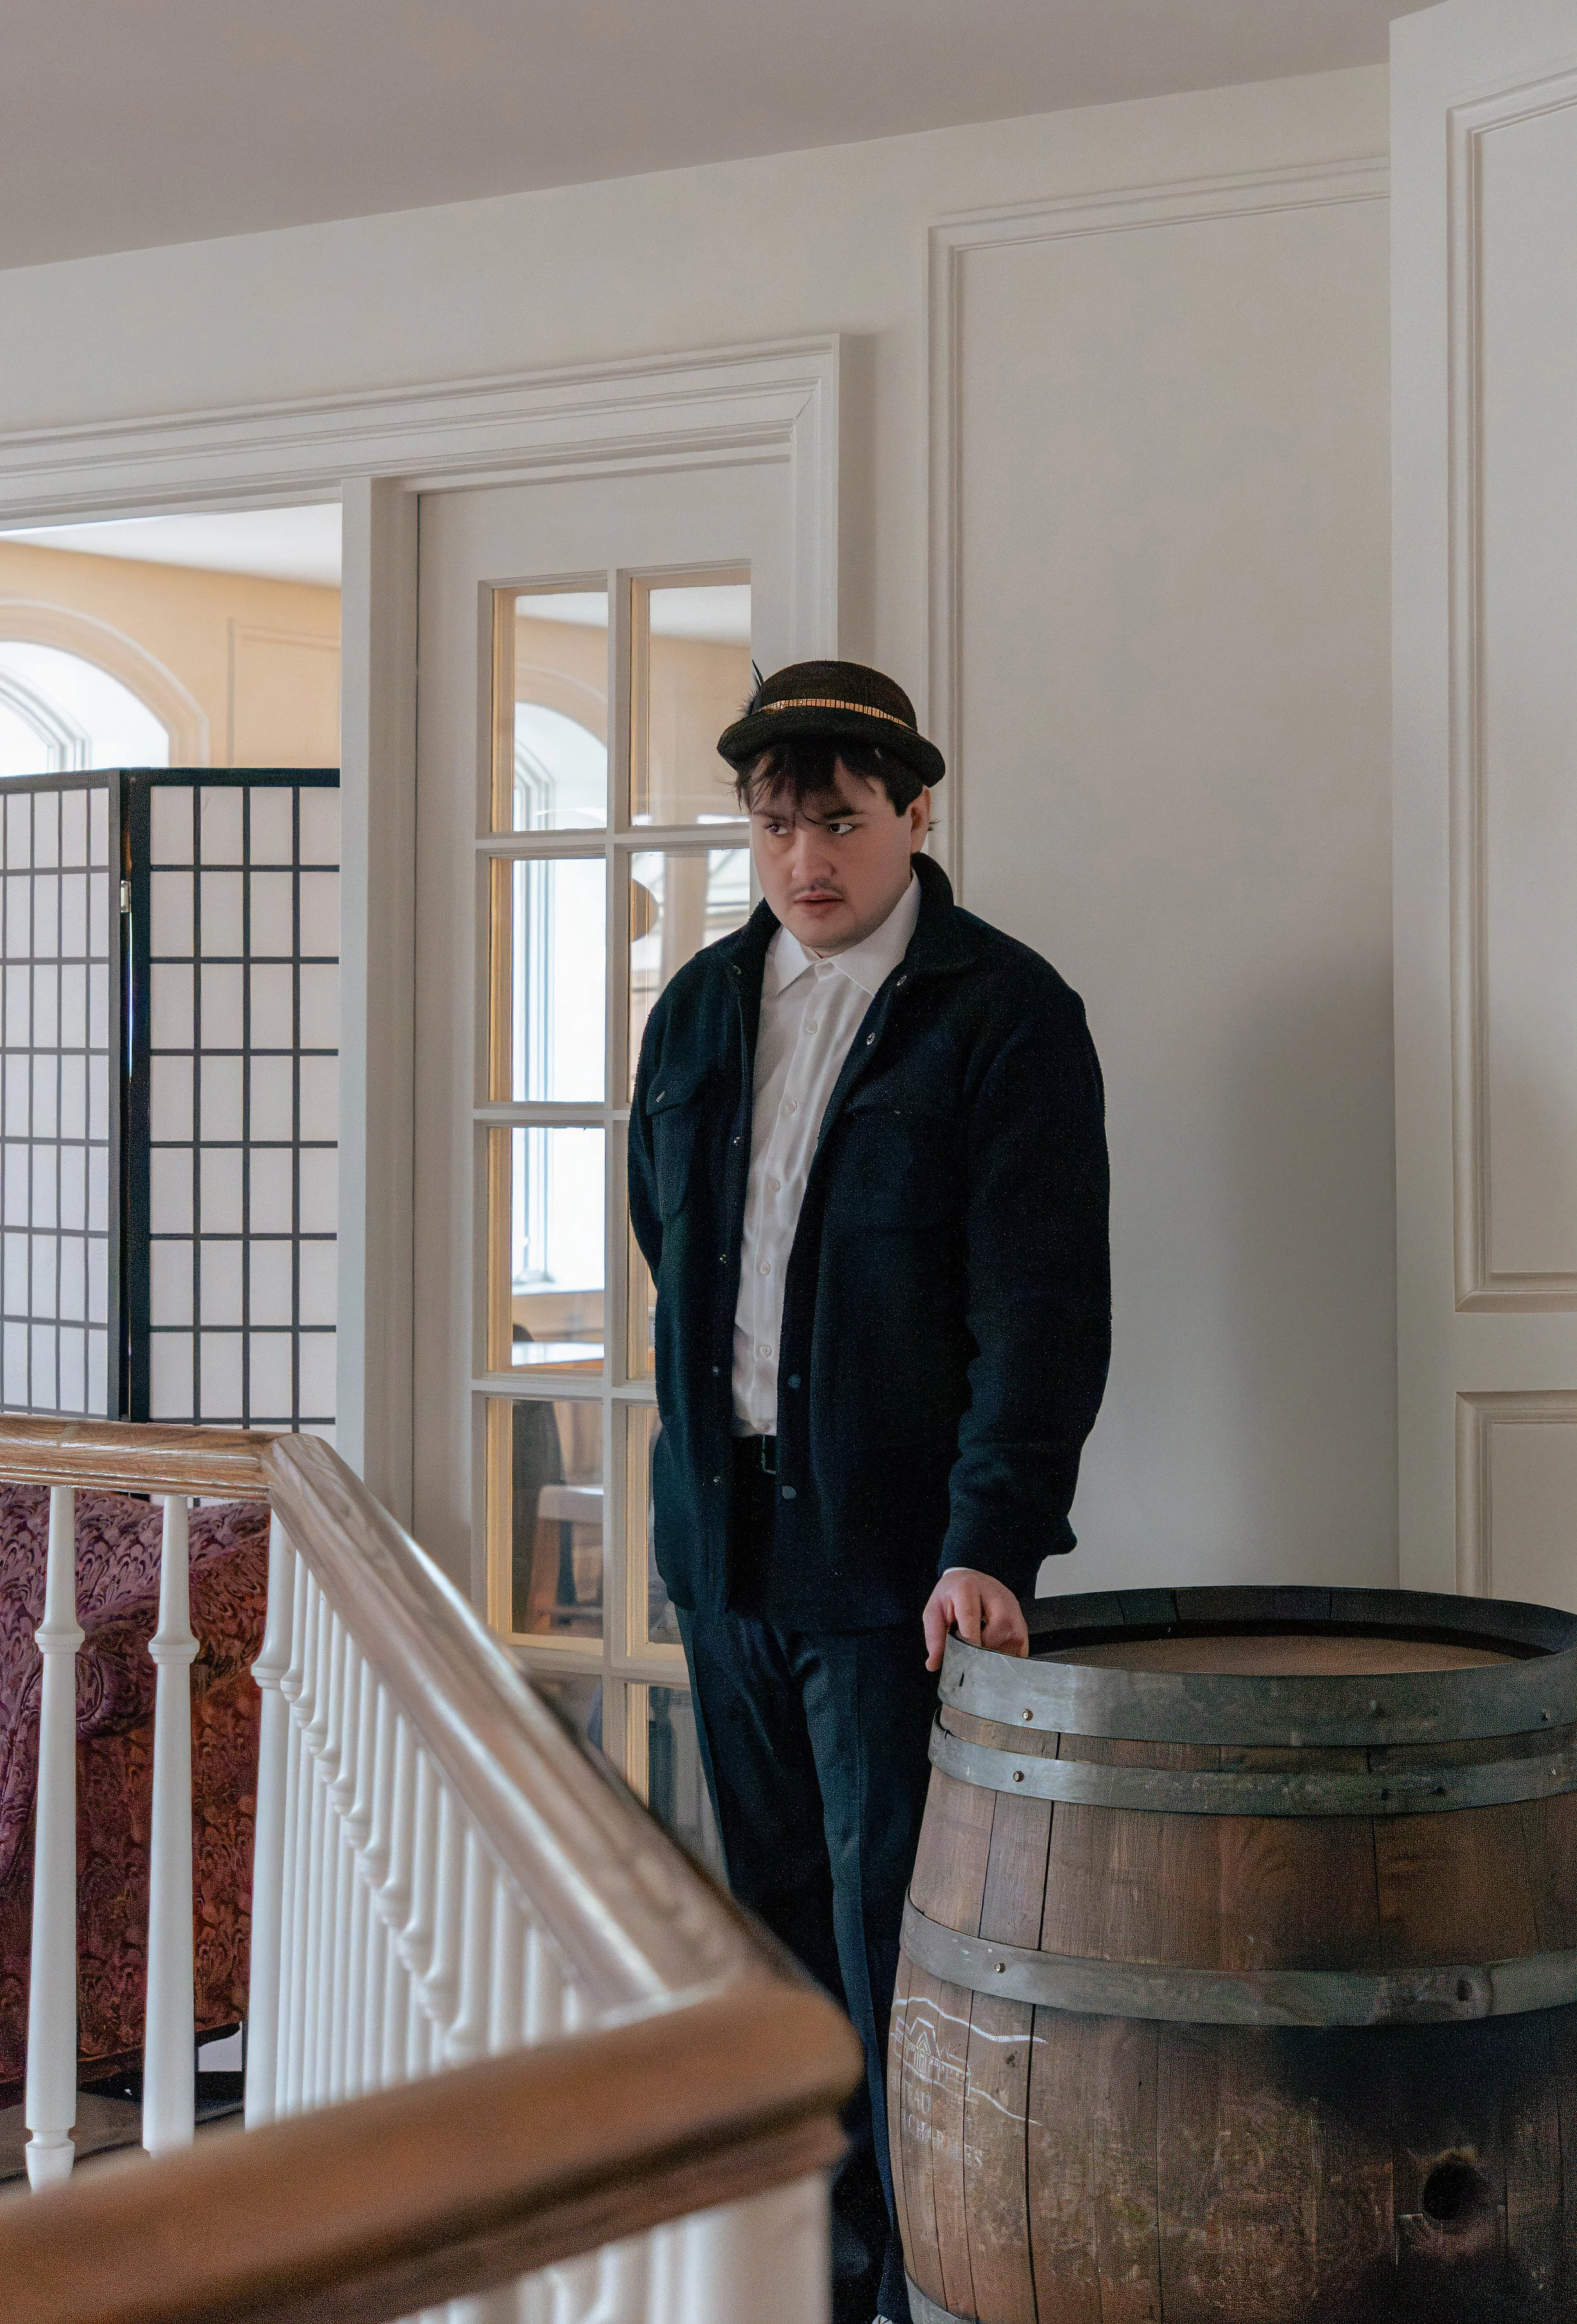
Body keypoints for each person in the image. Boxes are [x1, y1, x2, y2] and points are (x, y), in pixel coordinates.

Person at [628, 659, 1110, 2324]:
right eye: (775, 826)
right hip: (724, 1541)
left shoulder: (1005, 1014)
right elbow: (665, 1247)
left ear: (913, 812)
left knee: (901, 1937)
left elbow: (1041, 1317)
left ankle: (929, 2281)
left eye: (836, 821)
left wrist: (988, 1541)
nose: (803, 860)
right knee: (768, 1940)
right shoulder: (696, 1006)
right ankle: (814, 2275)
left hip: (898, 1567)